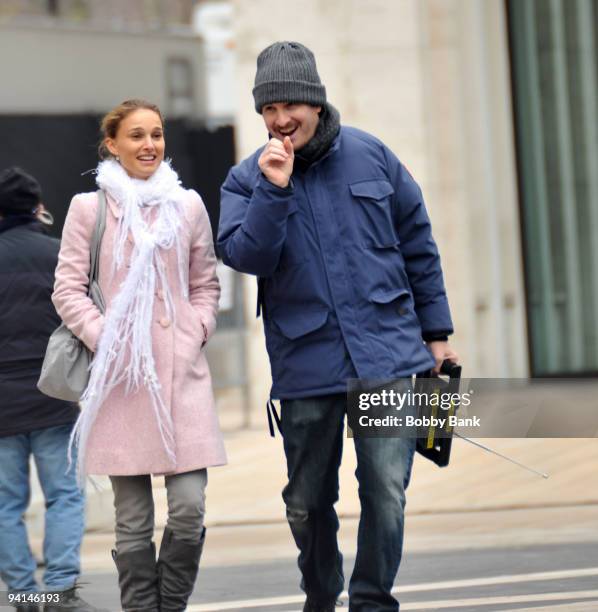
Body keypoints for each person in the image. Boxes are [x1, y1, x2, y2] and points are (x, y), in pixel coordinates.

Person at [218, 42, 458, 611]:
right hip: (307, 363)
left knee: (386, 494)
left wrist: (438, 337)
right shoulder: (245, 178)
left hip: (390, 355)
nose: (279, 120)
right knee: (306, 500)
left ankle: (373, 601)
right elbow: (246, 257)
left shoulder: (373, 155)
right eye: (268, 109)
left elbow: (419, 246)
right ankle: (322, 595)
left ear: (316, 102)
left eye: (289, 105)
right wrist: (273, 190)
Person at [52, 99, 226, 612]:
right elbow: (66, 289)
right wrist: (108, 337)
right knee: (132, 521)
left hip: (181, 376)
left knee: (190, 508)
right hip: (123, 378)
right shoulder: (90, 208)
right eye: (136, 136)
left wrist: (197, 327)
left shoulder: (188, 205)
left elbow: (205, 283)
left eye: (156, 134)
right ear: (113, 144)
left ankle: (169, 605)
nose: (149, 145)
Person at [0, 167, 103, 611]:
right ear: (36, 208)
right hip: (54, 397)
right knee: (64, 495)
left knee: (6, 505)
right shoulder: (59, 254)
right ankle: (59, 589)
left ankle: (24, 592)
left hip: (1, 409)